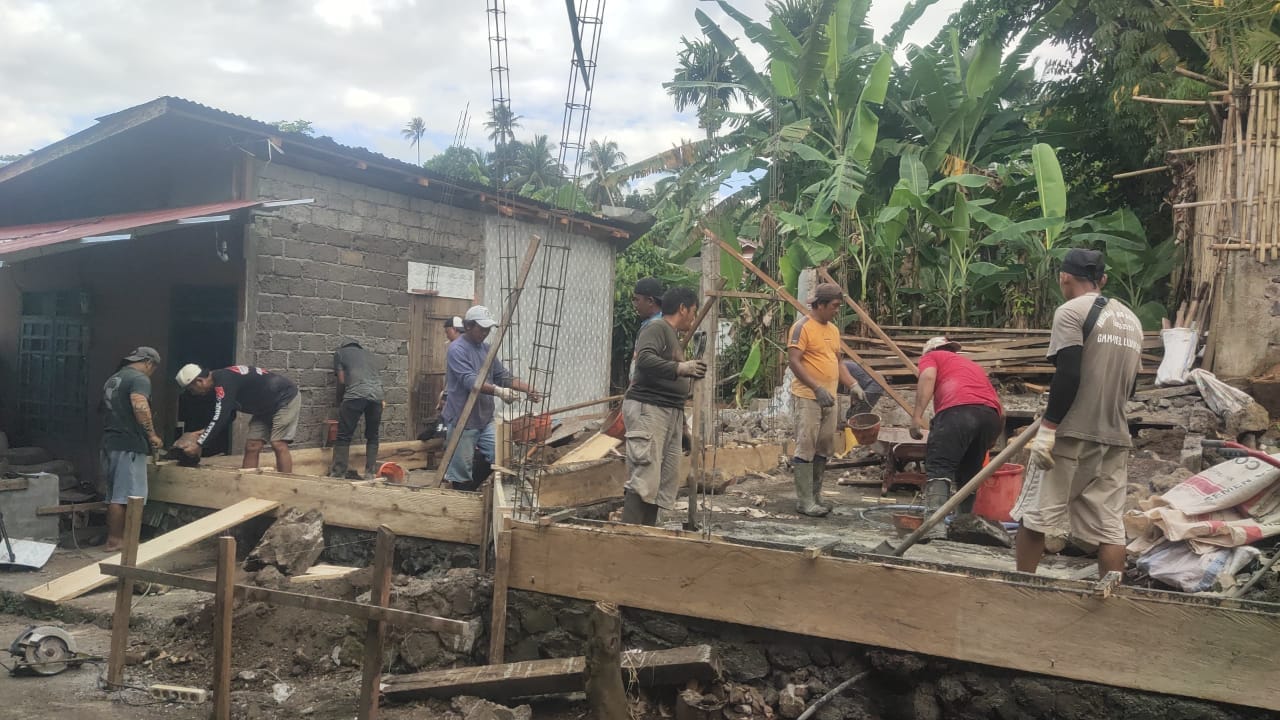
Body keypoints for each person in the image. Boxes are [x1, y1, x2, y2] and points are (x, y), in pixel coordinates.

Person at [1013, 248, 1142, 578]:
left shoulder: (1071, 312)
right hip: (1115, 436)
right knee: (1109, 527)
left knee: (1036, 516)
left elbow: (1068, 372)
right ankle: (1111, 599)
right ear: (1103, 279)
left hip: (1071, 434)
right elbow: (1131, 387)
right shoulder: (1132, 320)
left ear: (1064, 277)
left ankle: (1020, 590)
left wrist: (1048, 427)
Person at [622, 286, 706, 525]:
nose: (693, 316)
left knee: (660, 482)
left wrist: (683, 430)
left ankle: (646, 536)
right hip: (649, 408)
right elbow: (645, 360)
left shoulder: (670, 335)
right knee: (645, 477)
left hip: (667, 411)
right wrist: (681, 368)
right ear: (682, 308)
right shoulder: (656, 327)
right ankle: (628, 538)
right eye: (693, 311)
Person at [442, 305, 541, 491]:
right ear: (469, 326)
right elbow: (471, 381)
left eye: (488, 329)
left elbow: (502, 375)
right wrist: (499, 392)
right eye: (482, 328)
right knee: (461, 470)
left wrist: (528, 388)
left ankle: (472, 487)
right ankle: (462, 496)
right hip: (463, 419)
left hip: (484, 418)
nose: (486, 333)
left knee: (500, 456)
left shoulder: (487, 349)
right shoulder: (457, 350)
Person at [909, 337, 1005, 514]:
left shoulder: (932, 356)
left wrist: (916, 417)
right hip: (990, 416)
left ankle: (933, 524)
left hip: (957, 412)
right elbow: (1001, 409)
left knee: (940, 467)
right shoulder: (971, 366)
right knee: (970, 473)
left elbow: (928, 376)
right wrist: (991, 438)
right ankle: (964, 523)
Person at [787, 283, 857, 517]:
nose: (837, 310)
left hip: (829, 397)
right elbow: (794, 361)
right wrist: (816, 388)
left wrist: (853, 384)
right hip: (808, 396)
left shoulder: (833, 330)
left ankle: (816, 495)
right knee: (806, 445)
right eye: (835, 306)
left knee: (825, 446)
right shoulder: (802, 328)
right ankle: (804, 501)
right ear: (821, 305)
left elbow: (837, 362)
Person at [175, 364, 301, 474]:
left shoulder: (224, 381)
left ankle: (286, 484)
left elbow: (221, 416)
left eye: (192, 389)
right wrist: (202, 432)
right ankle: (246, 485)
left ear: (200, 381)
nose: (193, 394)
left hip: (284, 398)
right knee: (252, 445)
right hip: (263, 407)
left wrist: (199, 443)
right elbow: (229, 415)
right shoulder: (218, 385)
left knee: (278, 443)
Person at [101, 347, 162, 550]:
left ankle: (114, 538)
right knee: (130, 496)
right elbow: (139, 405)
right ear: (148, 363)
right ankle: (121, 541)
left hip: (110, 442)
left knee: (114, 495)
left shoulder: (113, 379)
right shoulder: (139, 378)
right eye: (153, 369)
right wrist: (152, 435)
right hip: (129, 444)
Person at [329, 339, 385, 479]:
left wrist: (339, 401)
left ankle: (338, 473)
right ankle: (370, 473)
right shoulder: (370, 355)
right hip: (377, 397)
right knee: (373, 435)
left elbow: (342, 381)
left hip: (355, 396)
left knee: (343, 435)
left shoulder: (340, 354)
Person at [629, 277, 665, 382]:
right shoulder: (650, 323)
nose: (635, 305)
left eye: (637, 300)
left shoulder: (656, 327)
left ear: (650, 301)